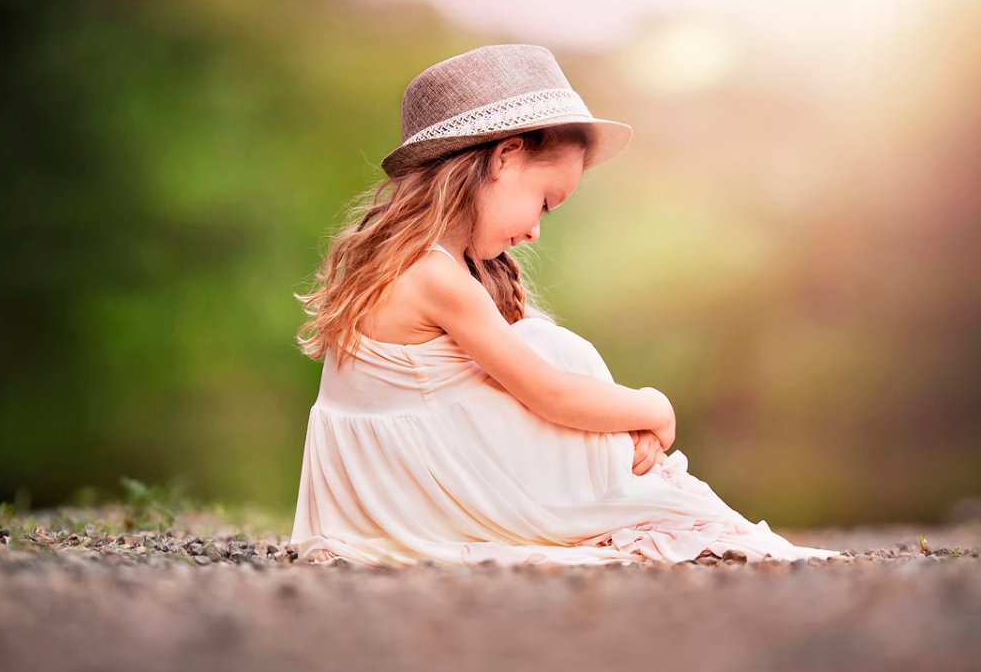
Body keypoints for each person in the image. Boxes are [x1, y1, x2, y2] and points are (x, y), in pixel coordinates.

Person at [288, 43, 842, 567]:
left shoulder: (413, 263)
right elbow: (548, 394)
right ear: (504, 157)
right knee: (548, 352)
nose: (533, 232)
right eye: (544, 204)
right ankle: (621, 480)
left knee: (543, 344)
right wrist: (653, 408)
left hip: (403, 488)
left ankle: (620, 468)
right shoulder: (435, 276)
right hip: (417, 497)